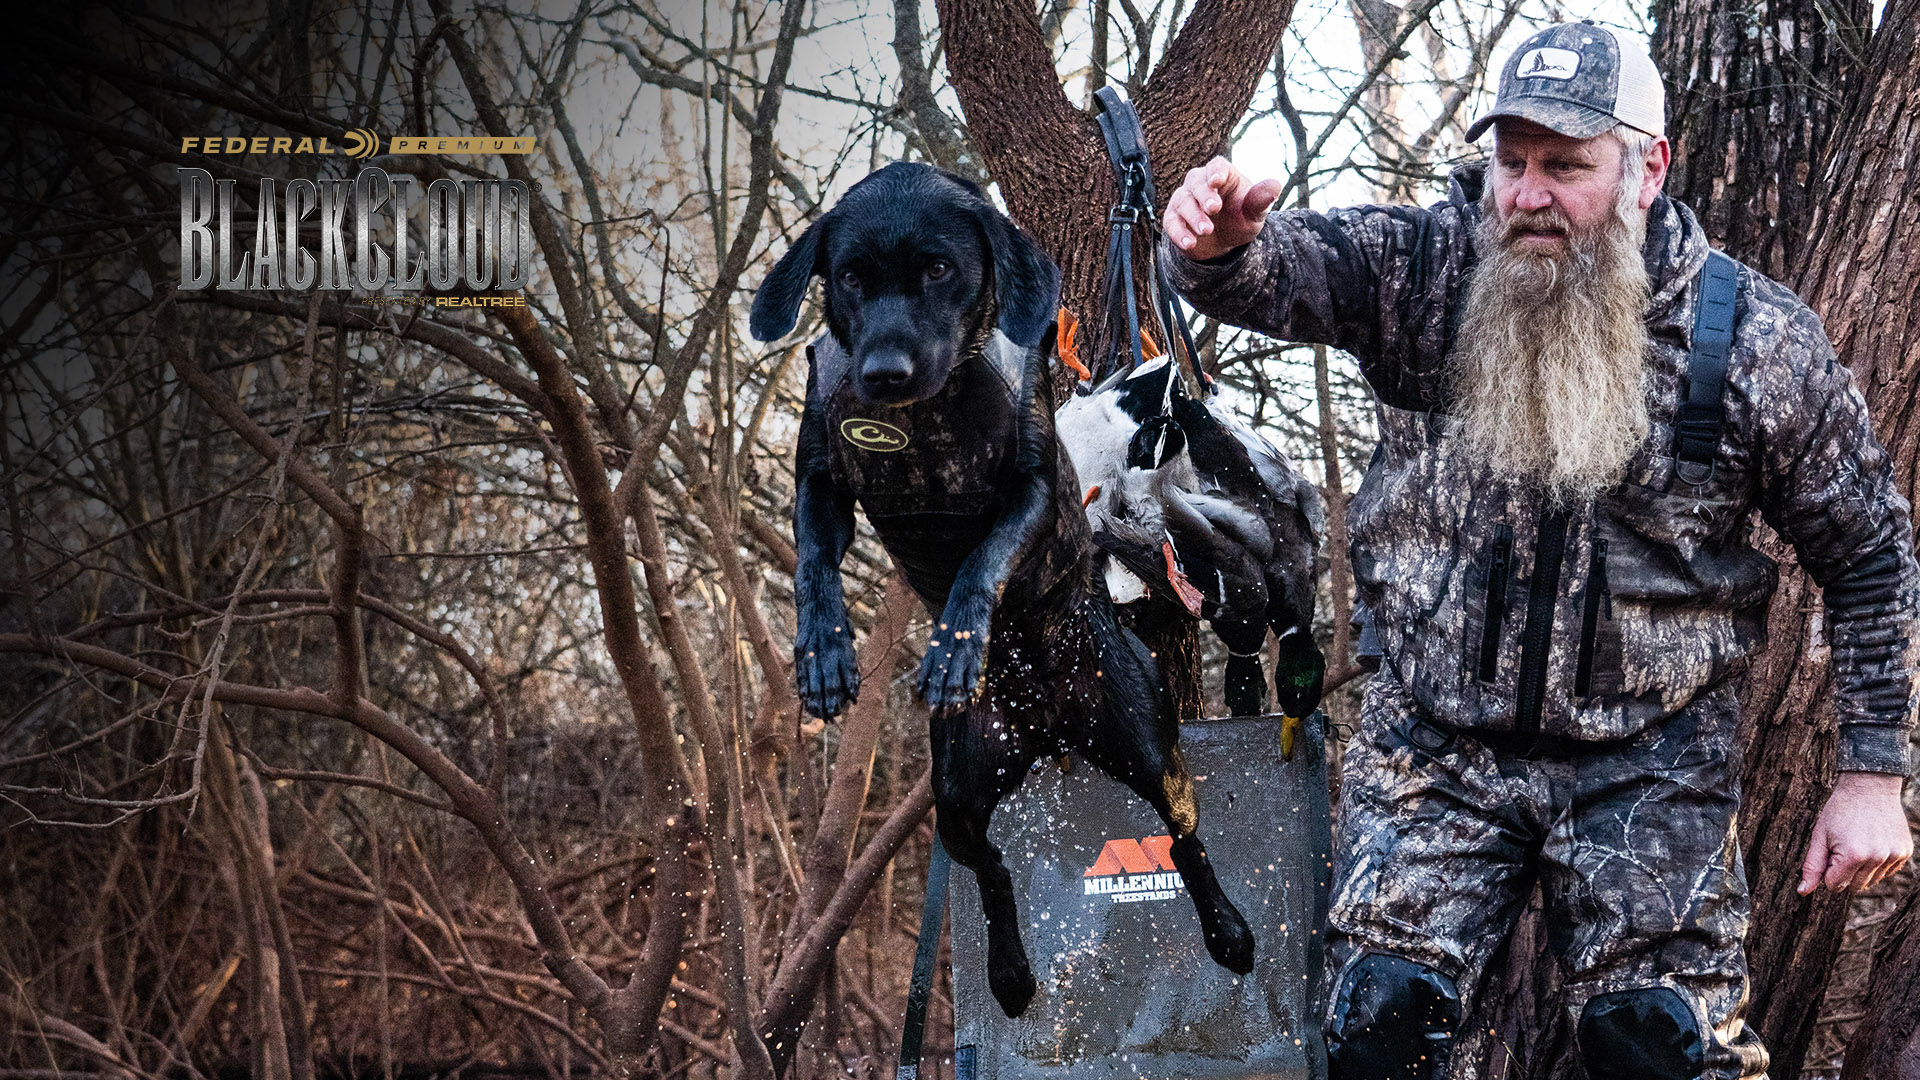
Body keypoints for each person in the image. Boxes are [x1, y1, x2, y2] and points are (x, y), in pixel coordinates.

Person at [1160, 21, 1916, 1080]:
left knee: (1657, 1042)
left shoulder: (1753, 341)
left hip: (1649, 754)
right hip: (1436, 743)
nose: (1527, 194)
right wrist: (1212, 248)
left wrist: (1874, 772)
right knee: (1375, 1025)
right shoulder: (1429, 269)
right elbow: (1276, 270)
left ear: (1648, 167)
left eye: (1565, 166)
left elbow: (1871, 551)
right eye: (1511, 162)